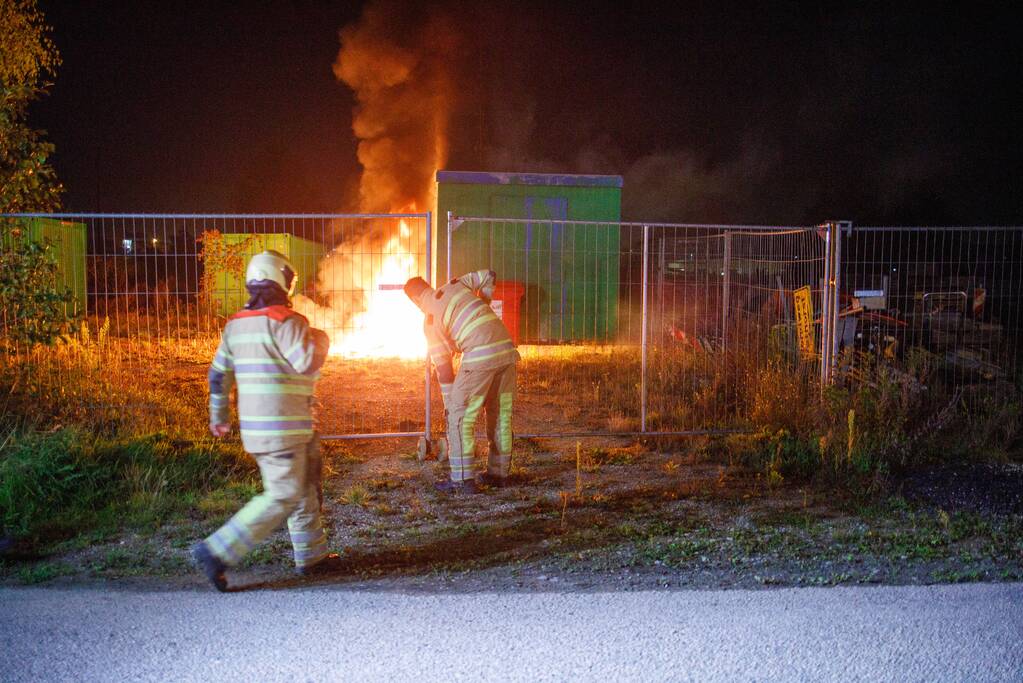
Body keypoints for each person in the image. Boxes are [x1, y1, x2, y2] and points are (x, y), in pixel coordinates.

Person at [192, 249, 336, 591]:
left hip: (258, 430)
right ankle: (216, 551)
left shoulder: (235, 326)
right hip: (283, 429)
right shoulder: (287, 321)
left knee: (302, 489)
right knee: (283, 493)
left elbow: (217, 375)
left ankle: (312, 558)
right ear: (281, 280)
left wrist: (219, 416)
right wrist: (321, 338)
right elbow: (306, 362)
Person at [404, 269, 519, 493]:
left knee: (459, 417)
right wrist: (484, 302)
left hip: (480, 355)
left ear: (416, 299)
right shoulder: (454, 285)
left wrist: (450, 404)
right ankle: (499, 474)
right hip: (507, 349)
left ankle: (462, 480)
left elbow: (445, 371)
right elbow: (489, 275)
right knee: (500, 414)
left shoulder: (429, 319)